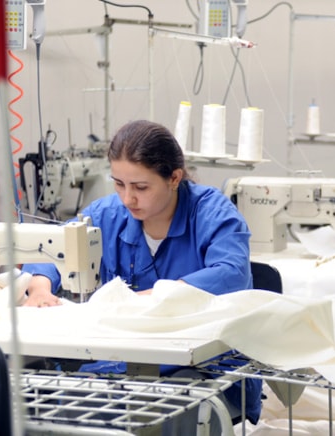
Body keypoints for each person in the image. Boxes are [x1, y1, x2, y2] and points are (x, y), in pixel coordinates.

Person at [21, 119, 260, 425]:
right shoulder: (108, 214)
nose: (127, 198)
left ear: (174, 178)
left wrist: (154, 296)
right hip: (126, 360)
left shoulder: (212, 213)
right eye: (119, 184)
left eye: (140, 187)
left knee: (177, 402)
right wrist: (40, 286)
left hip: (207, 367)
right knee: (68, 398)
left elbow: (231, 273)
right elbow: (57, 246)